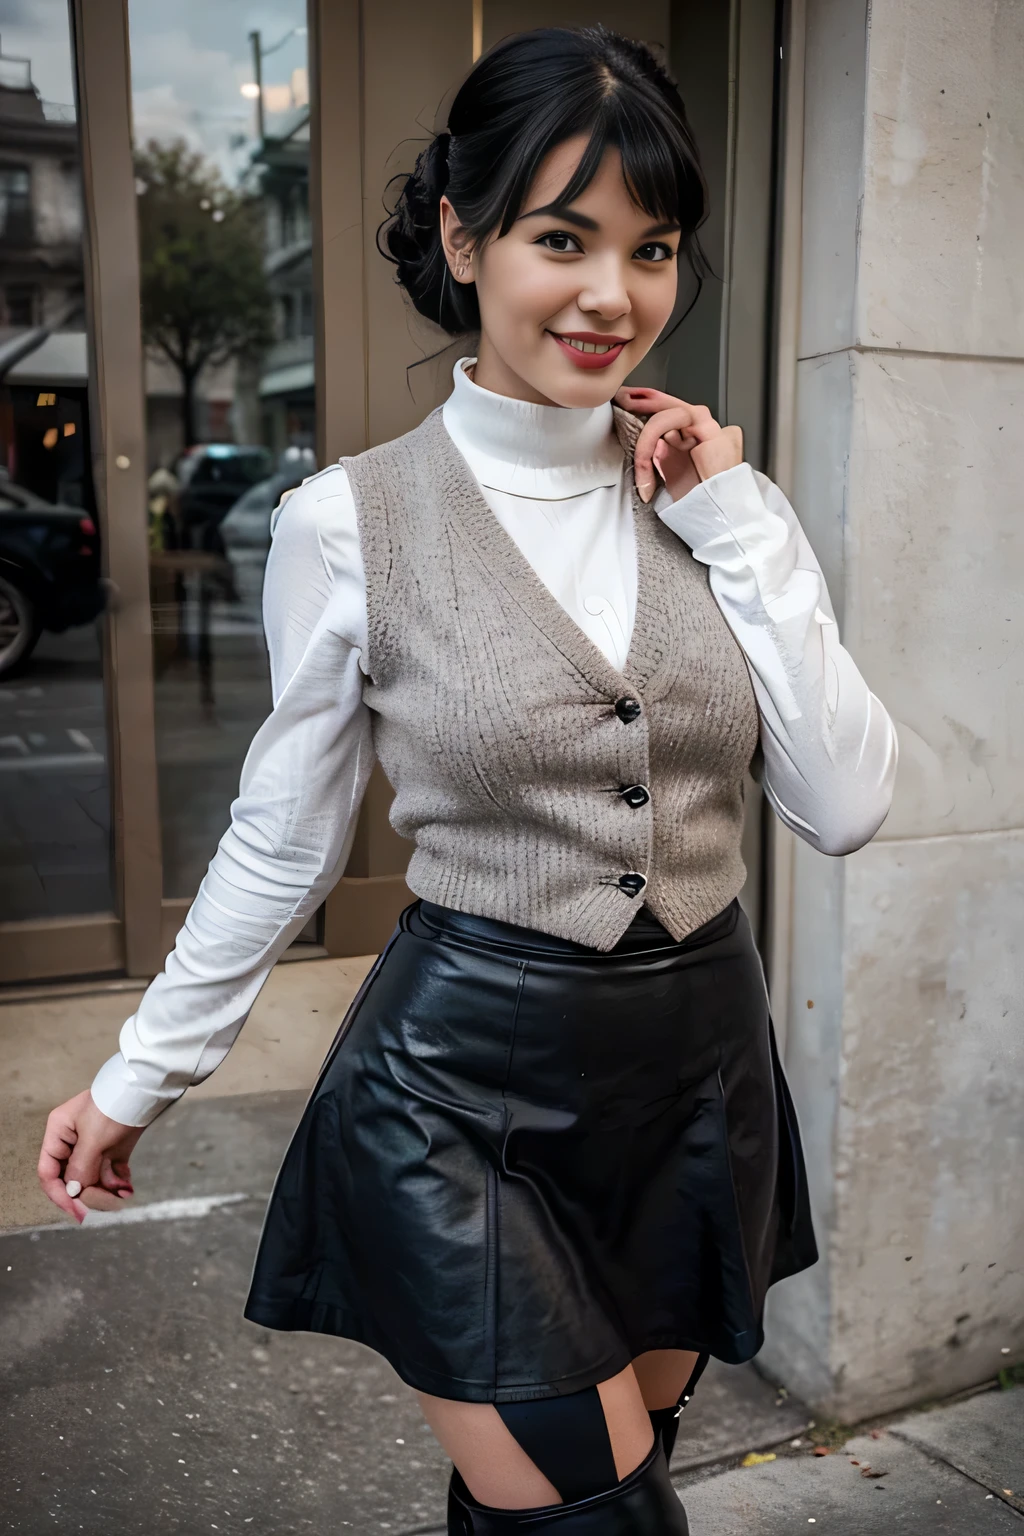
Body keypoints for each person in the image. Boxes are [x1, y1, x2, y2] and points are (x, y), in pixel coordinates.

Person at [37, 26, 898, 1534]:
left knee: (569, 1481)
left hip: (695, 1075)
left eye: (653, 248)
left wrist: (747, 523)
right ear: (463, 232)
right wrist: (142, 1072)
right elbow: (280, 839)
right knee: (598, 1508)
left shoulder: (716, 507)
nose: (613, 295)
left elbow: (843, 804)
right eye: (564, 237)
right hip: (462, 1096)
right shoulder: (344, 523)